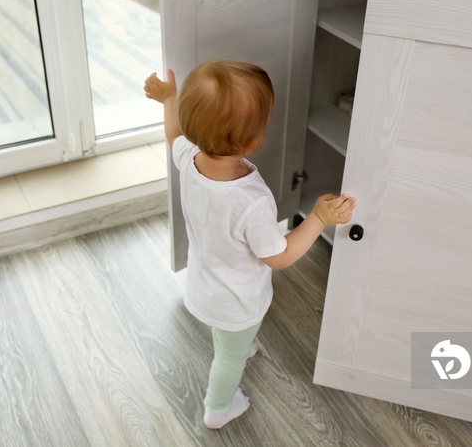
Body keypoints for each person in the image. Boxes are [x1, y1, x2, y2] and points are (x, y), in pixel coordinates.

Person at [144, 60, 355, 429]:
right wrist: (319, 219)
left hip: (207, 282)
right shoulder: (251, 200)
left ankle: (236, 342)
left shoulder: (189, 159)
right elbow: (279, 255)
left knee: (231, 337)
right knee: (229, 358)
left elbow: (173, 131)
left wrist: (168, 98)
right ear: (251, 140)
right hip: (236, 299)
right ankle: (217, 408)